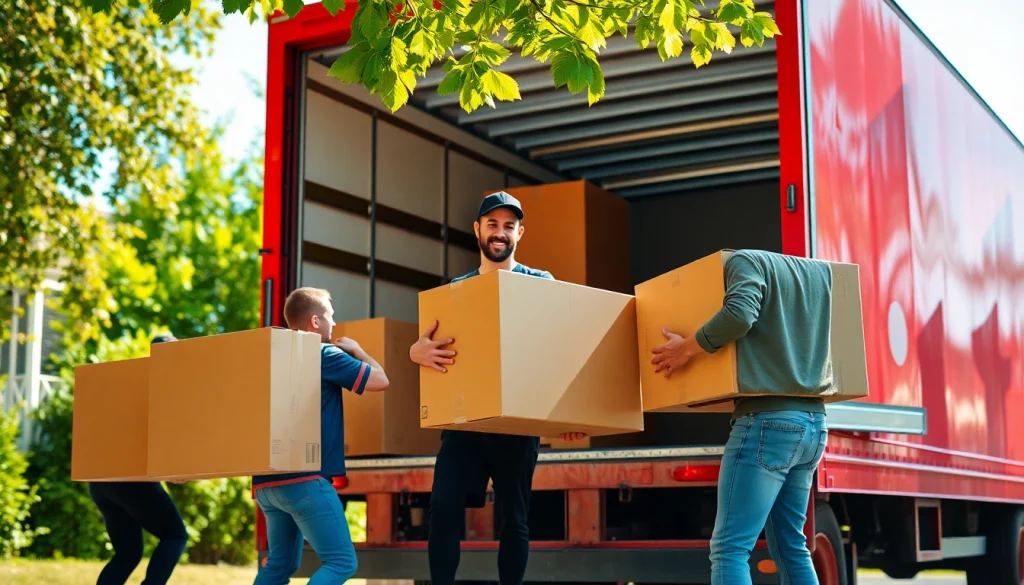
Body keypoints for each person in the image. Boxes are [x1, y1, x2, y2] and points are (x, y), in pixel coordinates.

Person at [409, 191, 584, 585]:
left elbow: (564, 349)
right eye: (492, 225)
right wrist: (414, 351)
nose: (500, 233)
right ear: (477, 230)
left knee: (514, 519)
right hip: (465, 426)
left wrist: (567, 416)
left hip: (517, 427)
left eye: (509, 226)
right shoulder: (457, 289)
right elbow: (429, 345)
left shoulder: (541, 283)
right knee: (444, 508)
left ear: (520, 232)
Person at [650, 249, 831, 585]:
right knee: (793, 546)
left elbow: (738, 314)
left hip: (767, 424)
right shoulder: (817, 275)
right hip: (813, 423)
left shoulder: (743, 262)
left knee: (729, 549)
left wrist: (685, 348)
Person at [252, 287, 390, 585]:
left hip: (266, 483)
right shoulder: (324, 353)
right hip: (306, 481)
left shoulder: (271, 359)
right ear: (315, 322)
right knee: (341, 562)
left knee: (278, 565)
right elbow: (381, 380)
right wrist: (357, 350)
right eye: (330, 315)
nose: (335, 323)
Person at [88, 333, 189, 585]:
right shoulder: (165, 388)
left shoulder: (125, 384)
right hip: (131, 481)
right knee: (175, 535)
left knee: (127, 553)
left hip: (100, 481)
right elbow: (163, 436)